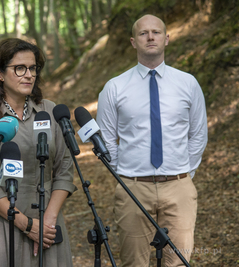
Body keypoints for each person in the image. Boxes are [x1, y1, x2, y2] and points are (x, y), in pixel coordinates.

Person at [96, 14, 208, 267]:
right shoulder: (115, 87)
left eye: (156, 32)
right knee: (133, 262)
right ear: (134, 41)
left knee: (178, 262)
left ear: (166, 39)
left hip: (179, 186)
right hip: (133, 187)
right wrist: (126, 175)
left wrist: (184, 172)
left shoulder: (188, 83)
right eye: (143, 33)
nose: (150, 37)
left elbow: (198, 133)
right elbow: (106, 138)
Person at [0, 38, 77, 267]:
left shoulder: (49, 110)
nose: (28, 74)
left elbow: (64, 170)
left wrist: (48, 221)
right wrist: (26, 224)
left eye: (33, 68)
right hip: (2, 224)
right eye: (19, 68)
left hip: (48, 222)